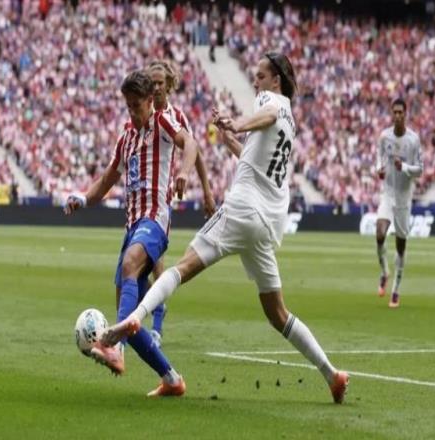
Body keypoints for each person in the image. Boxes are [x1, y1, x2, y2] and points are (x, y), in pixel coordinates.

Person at [99, 52, 349, 404]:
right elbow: (251, 156)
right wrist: (228, 136)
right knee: (278, 314)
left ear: (276, 79)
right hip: (265, 225)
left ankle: (133, 319)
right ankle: (332, 374)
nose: (256, 81)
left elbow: (267, 114)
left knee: (181, 268)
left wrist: (236, 123)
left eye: (260, 75)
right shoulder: (291, 123)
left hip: (242, 209)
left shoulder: (272, 101)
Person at [64, 69, 198, 397]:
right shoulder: (126, 138)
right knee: (130, 318)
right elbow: (106, 180)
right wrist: (83, 197)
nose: (133, 112)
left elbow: (190, 142)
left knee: (129, 265)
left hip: (155, 220)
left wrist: (183, 171)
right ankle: (171, 379)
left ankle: (115, 348)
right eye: (128, 106)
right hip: (132, 226)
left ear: (150, 101)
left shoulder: (163, 122)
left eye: (137, 105)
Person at [144, 59, 216, 348]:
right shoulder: (141, 111)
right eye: (152, 83)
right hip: (139, 198)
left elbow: (194, 151)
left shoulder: (175, 117)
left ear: (169, 85)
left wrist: (207, 192)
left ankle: (156, 325)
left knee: (153, 262)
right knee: (140, 265)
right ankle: (150, 314)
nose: (156, 87)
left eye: (160, 83)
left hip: (160, 199)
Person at [375, 98, 423, 308]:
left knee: (400, 247)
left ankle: (396, 289)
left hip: (404, 197)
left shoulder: (413, 140)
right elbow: (379, 157)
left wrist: (403, 166)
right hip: (388, 193)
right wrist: (379, 169)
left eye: (400, 112)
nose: (397, 116)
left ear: (406, 114)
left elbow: (420, 169)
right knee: (379, 234)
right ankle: (385, 272)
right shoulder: (384, 136)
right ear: (391, 113)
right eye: (394, 112)